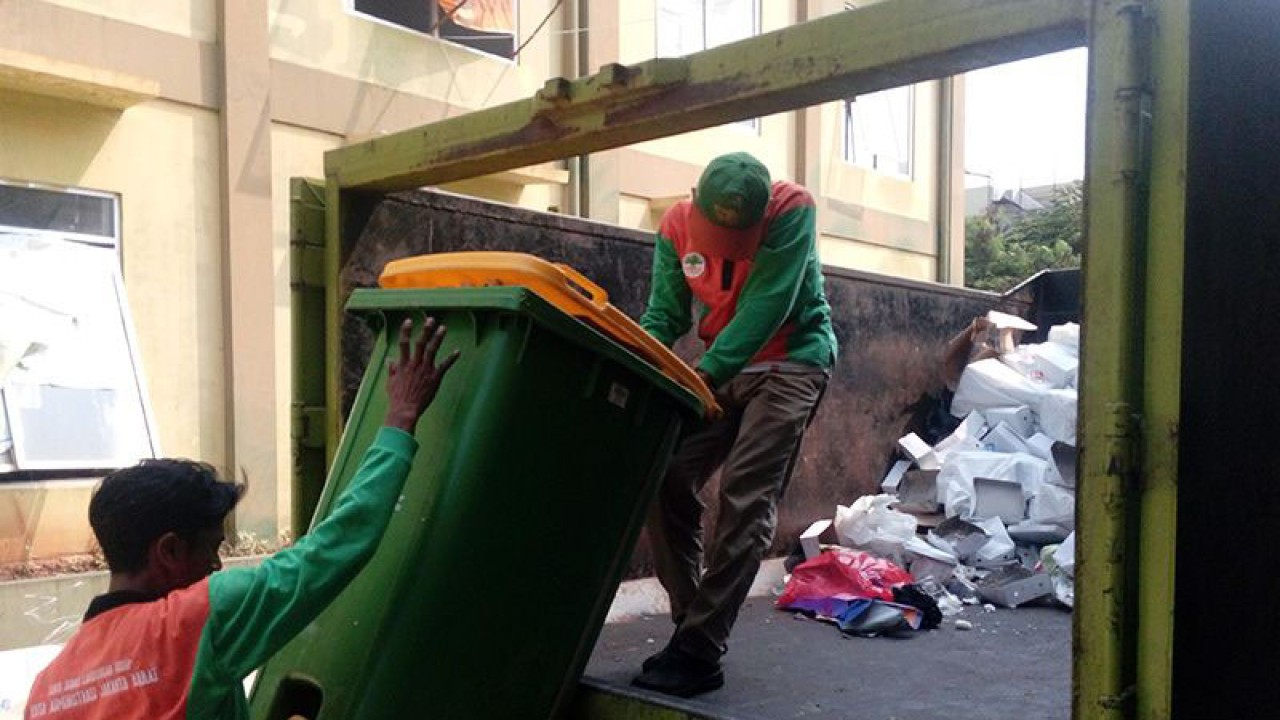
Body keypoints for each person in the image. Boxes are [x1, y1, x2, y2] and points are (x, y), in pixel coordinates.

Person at [24, 317, 459, 720]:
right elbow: (333, 549)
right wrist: (399, 420)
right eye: (211, 549)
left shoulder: (46, 691)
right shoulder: (193, 621)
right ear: (169, 550)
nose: (216, 566)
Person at [633, 152, 837, 697]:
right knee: (664, 474)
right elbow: (665, 315)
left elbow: (770, 303)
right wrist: (633, 362)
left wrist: (705, 374)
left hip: (792, 361)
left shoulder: (792, 209)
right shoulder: (675, 225)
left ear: (761, 216)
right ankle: (691, 623)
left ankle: (699, 649)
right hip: (722, 367)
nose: (726, 249)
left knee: (746, 496)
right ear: (694, 202)